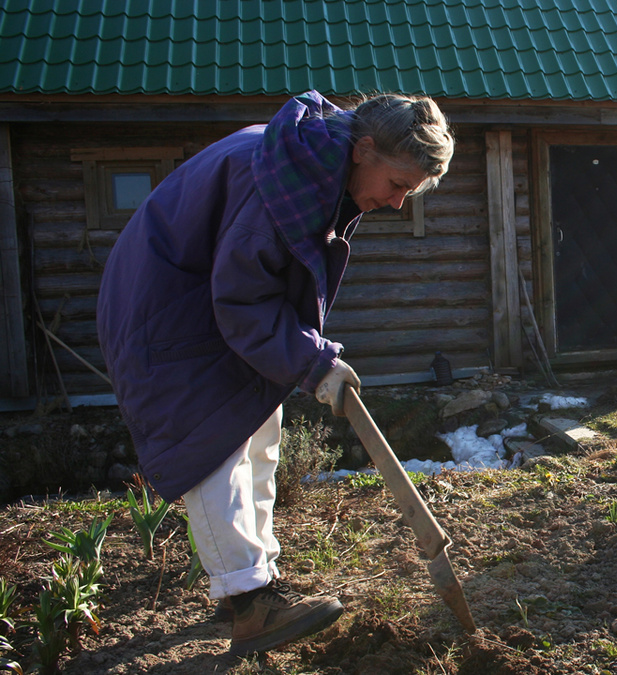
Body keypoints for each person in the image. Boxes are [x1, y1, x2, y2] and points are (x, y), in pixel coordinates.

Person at [96, 91, 454, 656]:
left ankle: (254, 585)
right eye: (398, 185)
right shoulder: (282, 184)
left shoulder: (309, 165)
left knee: (259, 431)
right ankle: (249, 604)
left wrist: (313, 358)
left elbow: (255, 287)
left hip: (201, 304)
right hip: (166, 313)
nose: (396, 203)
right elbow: (242, 302)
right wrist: (313, 363)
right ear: (364, 149)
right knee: (216, 446)